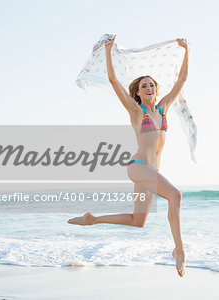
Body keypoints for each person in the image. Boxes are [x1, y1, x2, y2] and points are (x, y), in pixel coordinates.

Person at [68, 35, 189, 277]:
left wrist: (186, 50)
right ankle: (179, 250)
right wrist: (109, 50)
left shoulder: (163, 108)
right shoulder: (136, 111)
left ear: (156, 89)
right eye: (143, 86)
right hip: (139, 166)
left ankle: (93, 219)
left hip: (150, 172)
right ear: (138, 92)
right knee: (175, 195)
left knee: (138, 220)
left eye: (151, 84)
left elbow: (182, 79)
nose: (148, 88)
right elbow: (113, 81)